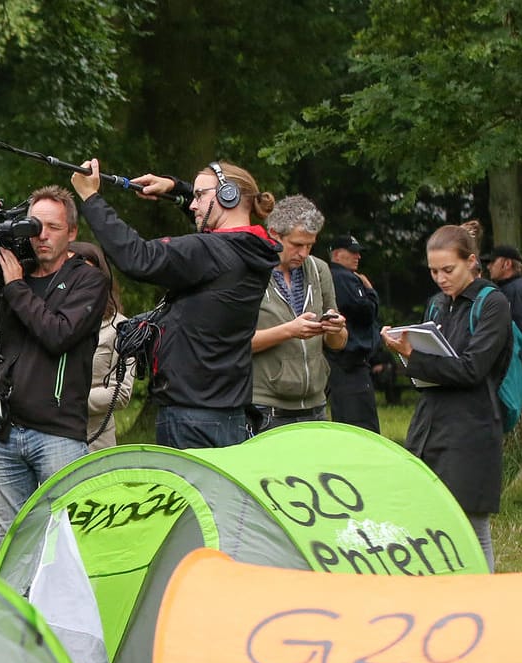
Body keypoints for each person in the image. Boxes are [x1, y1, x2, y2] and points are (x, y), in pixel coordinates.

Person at [71, 159, 280, 450]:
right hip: (228, 410)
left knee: (191, 496)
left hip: (191, 416)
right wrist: (175, 189)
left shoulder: (208, 251)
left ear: (228, 194)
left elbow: (137, 258)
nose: (193, 205)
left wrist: (91, 199)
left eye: (199, 196)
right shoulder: (254, 248)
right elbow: (212, 234)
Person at [0, 185, 111, 540]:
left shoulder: (88, 280)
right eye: (35, 226)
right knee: (12, 541)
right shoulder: (10, 278)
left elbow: (58, 333)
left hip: (57, 433)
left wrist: (15, 288)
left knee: (62, 541)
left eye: (53, 227)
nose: (42, 236)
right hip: (5, 430)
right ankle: (18, 599)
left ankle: (59, 599)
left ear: (73, 233)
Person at [381, 224, 514, 569]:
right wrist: (403, 352)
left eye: (448, 270)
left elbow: (472, 369)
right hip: (428, 426)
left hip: (471, 429)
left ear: (471, 262)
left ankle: (482, 601)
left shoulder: (493, 303)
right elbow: (426, 372)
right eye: (433, 271)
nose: (440, 278)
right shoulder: (438, 305)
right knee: (426, 519)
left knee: (472, 525)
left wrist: (414, 355)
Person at [250, 196, 346, 431]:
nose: (304, 253)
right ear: (274, 234)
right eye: (296, 244)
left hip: (316, 405)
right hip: (266, 408)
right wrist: (289, 331)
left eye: (310, 245)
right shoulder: (250, 271)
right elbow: (236, 343)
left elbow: (338, 344)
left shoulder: (319, 268)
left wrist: (336, 328)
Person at [68, 240, 134, 451]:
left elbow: (121, 393)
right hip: (45, 439)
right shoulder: (45, 320)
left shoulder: (120, 327)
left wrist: (67, 402)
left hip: (95, 441)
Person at [322, 235, 382, 432]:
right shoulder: (345, 277)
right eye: (353, 252)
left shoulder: (326, 276)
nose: (358, 256)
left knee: (344, 417)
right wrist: (370, 291)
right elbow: (365, 312)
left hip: (337, 360)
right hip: (350, 361)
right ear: (337, 254)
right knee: (361, 425)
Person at [484, 243, 522, 335]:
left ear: (507, 264)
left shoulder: (515, 291)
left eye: (492, 262)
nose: (488, 267)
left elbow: (519, 327)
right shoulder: (516, 287)